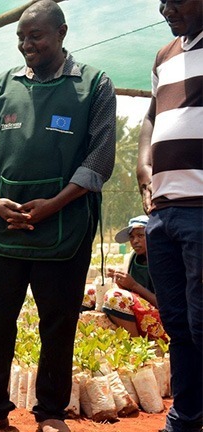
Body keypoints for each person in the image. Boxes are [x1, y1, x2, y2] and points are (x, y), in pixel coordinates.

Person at [0, 2, 116, 431]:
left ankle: (51, 413)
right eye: (21, 38)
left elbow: (99, 159)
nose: (26, 45)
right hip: (2, 225)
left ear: (62, 33)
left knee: (58, 322)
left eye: (36, 36)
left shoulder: (94, 86)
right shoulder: (1, 85)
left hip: (64, 225)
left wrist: (54, 204)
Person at [137, 1, 203, 430]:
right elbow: (151, 118)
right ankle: (185, 416)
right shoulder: (166, 55)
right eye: (161, 0)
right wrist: (144, 166)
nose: (166, 8)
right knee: (178, 323)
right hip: (163, 212)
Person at [100, 216, 167, 340]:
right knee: (90, 295)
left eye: (140, 236)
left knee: (116, 297)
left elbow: (167, 305)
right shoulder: (133, 258)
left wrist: (134, 285)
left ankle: (137, 345)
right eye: (132, 237)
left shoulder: (164, 261)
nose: (135, 241)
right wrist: (122, 284)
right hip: (142, 316)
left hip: (167, 323)